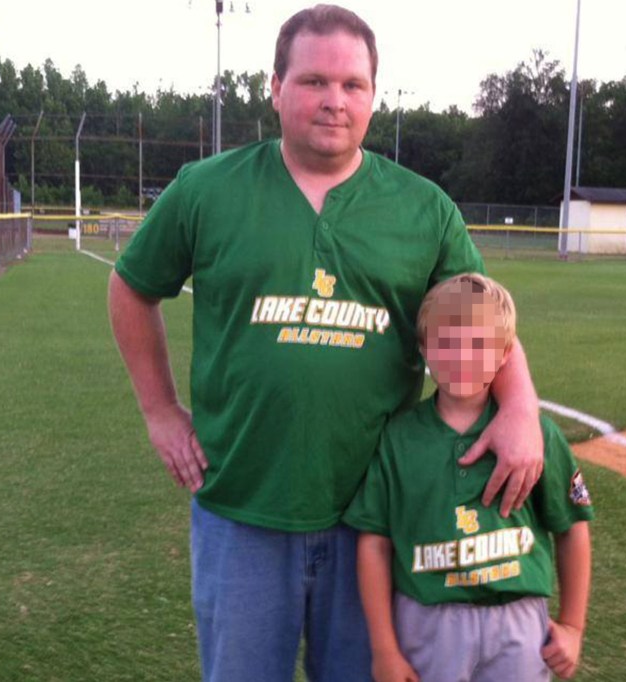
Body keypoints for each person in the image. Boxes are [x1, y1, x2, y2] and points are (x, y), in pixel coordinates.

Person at [108, 5, 544, 681]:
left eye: (352, 85)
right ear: (276, 87)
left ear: (373, 96)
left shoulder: (423, 209)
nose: (334, 100)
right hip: (242, 508)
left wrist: (520, 410)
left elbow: (486, 320)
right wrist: (159, 412)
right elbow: (132, 288)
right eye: (314, 81)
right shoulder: (207, 190)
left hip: (374, 515)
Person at [344, 273, 594, 682]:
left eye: (479, 344)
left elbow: (572, 528)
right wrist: (385, 648)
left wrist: (573, 626)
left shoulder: (534, 436)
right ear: (424, 348)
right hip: (429, 621)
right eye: (445, 342)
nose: (462, 356)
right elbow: (374, 545)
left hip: (519, 623)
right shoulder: (399, 439)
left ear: (504, 355)